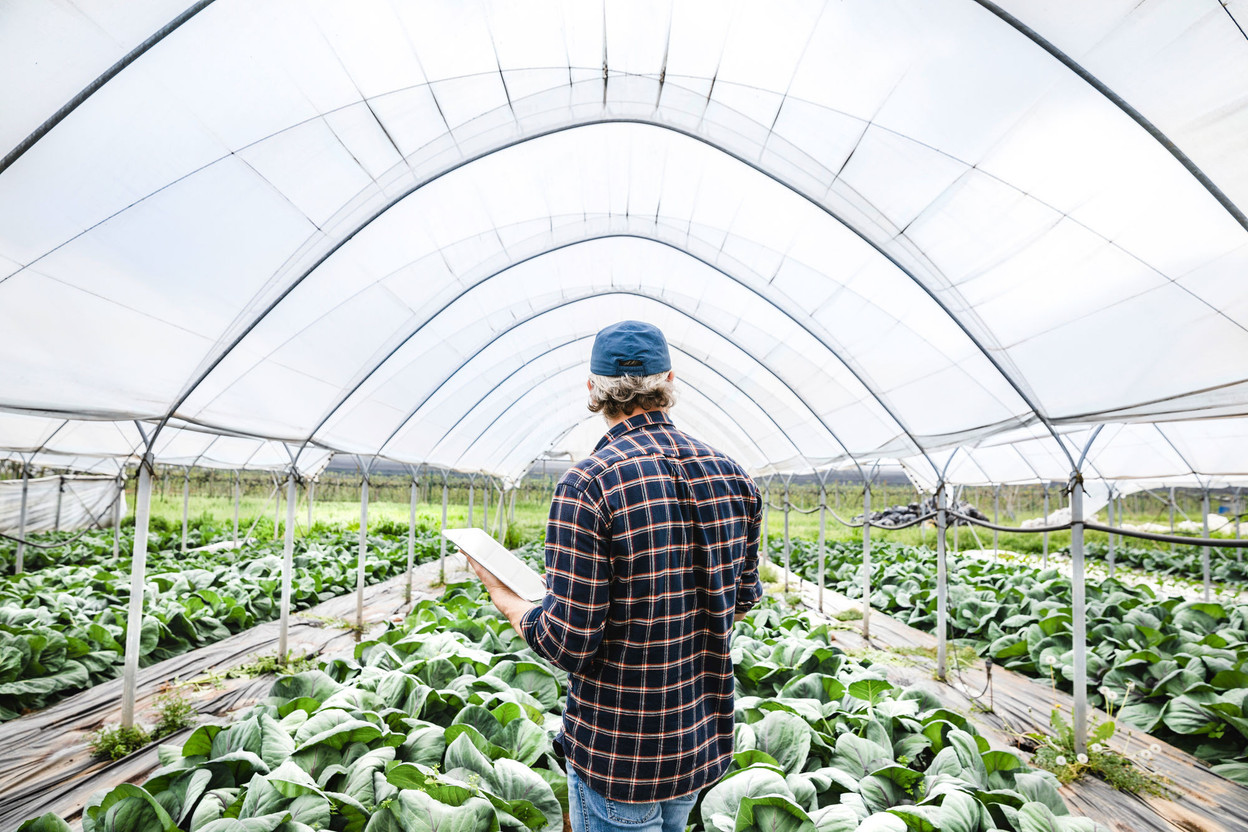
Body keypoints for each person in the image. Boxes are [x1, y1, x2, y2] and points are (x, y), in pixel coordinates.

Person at [467, 320, 763, 832]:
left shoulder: (587, 484)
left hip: (618, 754)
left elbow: (569, 643)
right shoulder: (734, 476)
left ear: (592, 389)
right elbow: (740, 598)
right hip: (698, 739)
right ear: (670, 381)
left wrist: (504, 595)